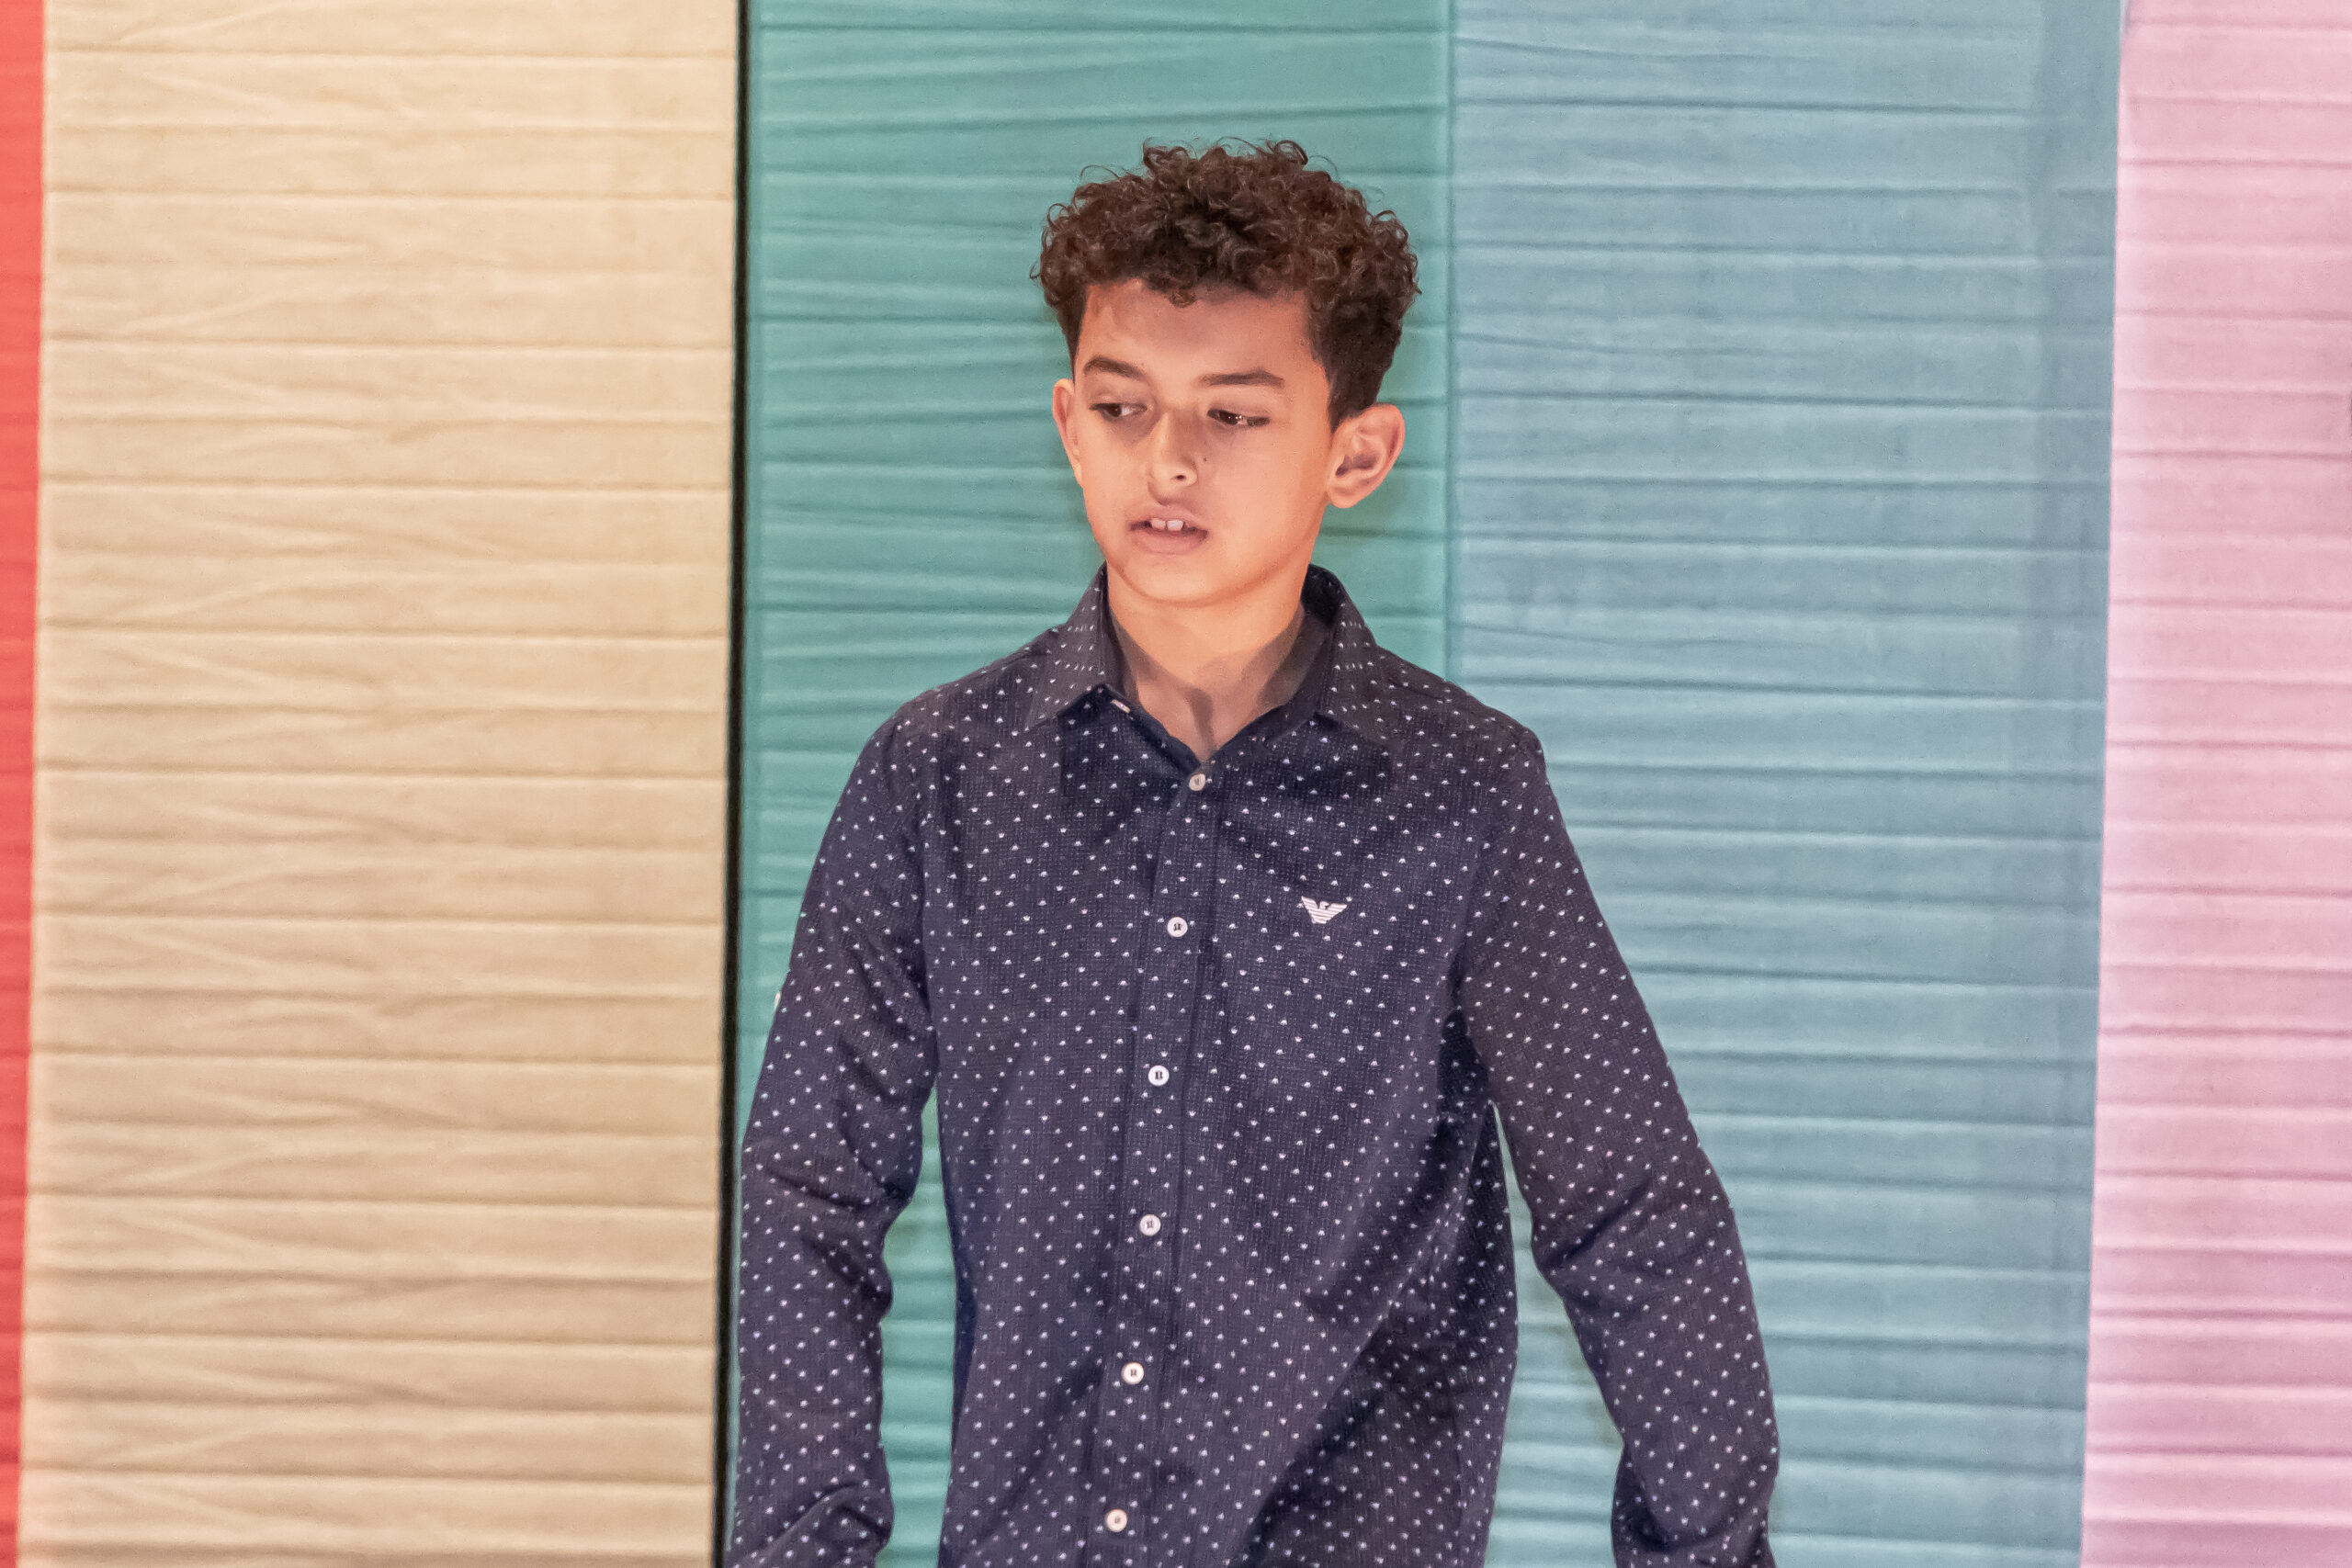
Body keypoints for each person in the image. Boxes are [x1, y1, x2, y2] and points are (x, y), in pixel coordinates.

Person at [728, 138, 1779, 1568]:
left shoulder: (1466, 796)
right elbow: (812, 1194)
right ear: (1067, 423)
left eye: (1232, 414)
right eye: (1122, 405)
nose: (1167, 459)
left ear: (1357, 453)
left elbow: (1633, 1214)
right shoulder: (937, 779)